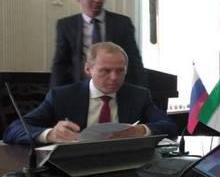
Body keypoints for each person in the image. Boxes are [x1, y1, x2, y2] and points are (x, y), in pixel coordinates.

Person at [3, 42, 177, 144]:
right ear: (88, 69)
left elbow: (169, 126)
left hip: (124, 164)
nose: (114, 78)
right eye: (105, 71)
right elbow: (14, 129)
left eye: (120, 71)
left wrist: (140, 131)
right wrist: (50, 134)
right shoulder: (62, 96)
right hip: (73, 167)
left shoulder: (138, 95)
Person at [50, 0, 147, 88]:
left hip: (114, 87)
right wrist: (54, 93)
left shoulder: (122, 23)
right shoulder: (66, 25)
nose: (97, 0)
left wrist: (141, 91)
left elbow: (134, 61)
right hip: (80, 88)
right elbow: (60, 63)